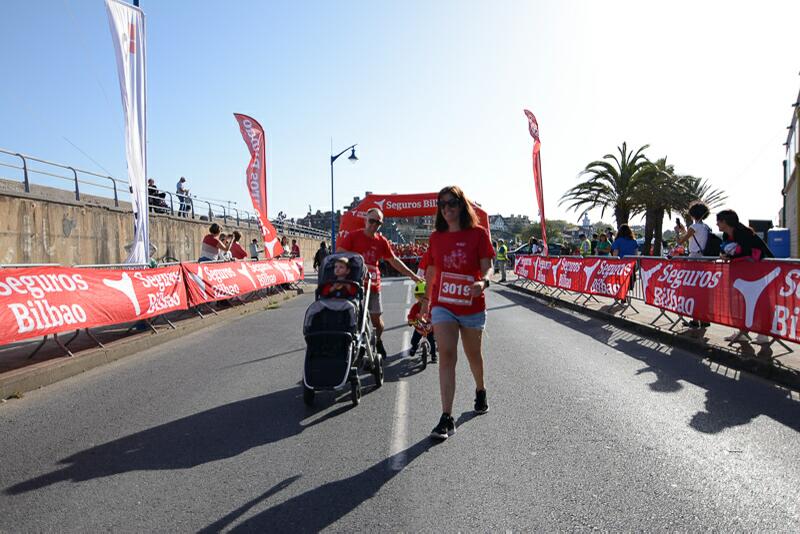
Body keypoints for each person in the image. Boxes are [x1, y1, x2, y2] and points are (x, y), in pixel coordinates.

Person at [421, 186, 495, 440]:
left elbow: (488, 267)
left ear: (462, 205)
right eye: (442, 204)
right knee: (447, 355)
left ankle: (480, 389)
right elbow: (430, 272)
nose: (447, 208)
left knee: (473, 356)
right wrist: (425, 303)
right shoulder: (435, 238)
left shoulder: (478, 234)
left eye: (452, 203)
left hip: (472, 306)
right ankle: (446, 417)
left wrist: (482, 282)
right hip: (444, 305)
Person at [337, 207, 422, 357]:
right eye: (372, 221)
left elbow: (394, 261)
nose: (374, 225)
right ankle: (356, 347)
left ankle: (377, 341)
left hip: (373, 286)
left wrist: (413, 276)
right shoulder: (353, 237)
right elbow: (339, 254)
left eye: (378, 223)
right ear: (365, 220)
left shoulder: (381, 241)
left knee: (377, 322)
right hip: (354, 285)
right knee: (355, 319)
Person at [716, 209, 774, 344]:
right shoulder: (725, 236)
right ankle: (742, 331)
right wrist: (723, 255)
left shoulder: (744, 233)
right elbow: (724, 249)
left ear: (725, 221)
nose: (717, 224)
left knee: (760, 301)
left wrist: (730, 254)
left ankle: (763, 334)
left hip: (757, 272)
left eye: (719, 221)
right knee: (739, 301)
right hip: (739, 273)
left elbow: (748, 252)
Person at [408, 281, 437, 362]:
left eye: (424, 296)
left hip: (429, 329)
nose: (422, 298)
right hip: (419, 328)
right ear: (417, 296)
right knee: (414, 340)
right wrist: (411, 321)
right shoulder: (415, 307)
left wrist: (434, 322)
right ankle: (414, 347)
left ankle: (433, 355)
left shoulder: (431, 307)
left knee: (432, 342)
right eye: (420, 296)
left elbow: (435, 315)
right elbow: (411, 316)